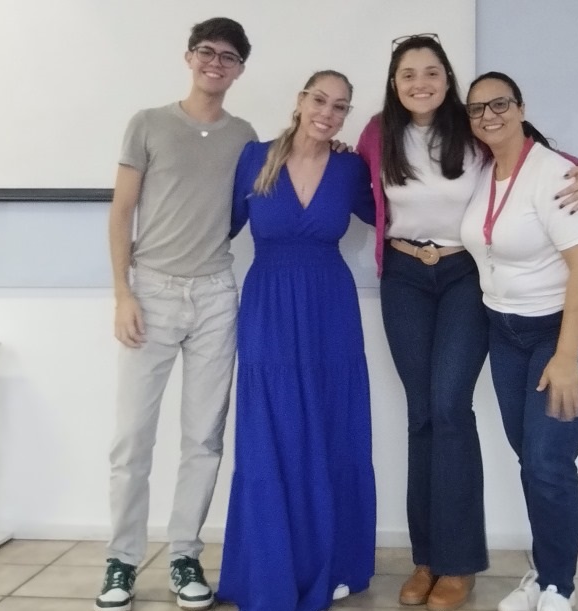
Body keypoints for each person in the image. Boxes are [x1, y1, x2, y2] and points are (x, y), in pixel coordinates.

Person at [355, 35, 578, 611]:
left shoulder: (472, 127)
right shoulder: (376, 133)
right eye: (408, 73)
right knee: (421, 413)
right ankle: (426, 558)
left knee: (449, 407)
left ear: (447, 79)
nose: (420, 83)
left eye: (431, 72)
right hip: (405, 278)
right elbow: (361, 192)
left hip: (464, 277)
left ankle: (458, 561)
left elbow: (543, 162)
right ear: (394, 82)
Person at [99, 17, 256, 611]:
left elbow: (251, 201)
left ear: (240, 69)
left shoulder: (244, 136)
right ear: (190, 57)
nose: (215, 62)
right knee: (132, 438)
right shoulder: (148, 123)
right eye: (206, 51)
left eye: (228, 56)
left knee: (204, 438)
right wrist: (124, 294)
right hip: (152, 292)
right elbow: (121, 212)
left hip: (216, 295)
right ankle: (121, 560)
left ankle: (185, 553)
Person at [215, 70, 377, 611]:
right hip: (268, 307)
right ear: (301, 100)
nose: (327, 113)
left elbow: (396, 210)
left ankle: (334, 560)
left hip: (330, 309)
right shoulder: (253, 158)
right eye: (320, 100)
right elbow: (218, 223)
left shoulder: (352, 168)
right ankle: (269, 565)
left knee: (333, 429)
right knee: (271, 429)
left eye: (340, 106)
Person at [460, 71, 578, 611]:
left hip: (567, 329)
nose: (489, 116)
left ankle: (558, 587)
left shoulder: (553, 174)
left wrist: (567, 357)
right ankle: (544, 571)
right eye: (477, 109)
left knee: (548, 461)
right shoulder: (482, 170)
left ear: (521, 108)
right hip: (507, 333)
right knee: (530, 457)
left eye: (499, 104)